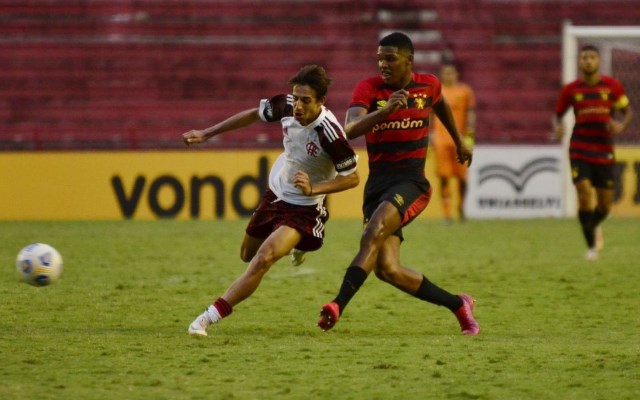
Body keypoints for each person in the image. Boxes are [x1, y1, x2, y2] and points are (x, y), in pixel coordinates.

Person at [317, 32, 479, 335]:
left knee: (373, 230)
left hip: (411, 183)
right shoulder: (369, 88)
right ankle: (459, 304)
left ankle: (337, 304)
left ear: (408, 60)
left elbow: (440, 103)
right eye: (379, 58)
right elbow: (350, 129)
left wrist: (459, 141)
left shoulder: (428, 84)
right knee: (388, 269)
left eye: (389, 58)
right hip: (377, 185)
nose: (383, 64)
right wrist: (386, 110)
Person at [184, 65, 359, 337]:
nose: (298, 105)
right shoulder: (286, 106)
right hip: (276, 192)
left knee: (263, 259)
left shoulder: (331, 133)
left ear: (322, 101)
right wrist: (208, 133)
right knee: (247, 255)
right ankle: (298, 246)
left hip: (303, 209)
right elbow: (253, 114)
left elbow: (352, 178)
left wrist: (314, 188)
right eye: (296, 97)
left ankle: (206, 318)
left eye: (305, 100)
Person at [552, 44, 633, 261]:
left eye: (592, 57)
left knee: (605, 206)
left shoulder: (612, 86)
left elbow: (627, 110)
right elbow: (558, 114)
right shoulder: (571, 90)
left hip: (604, 149)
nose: (588, 61)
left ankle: (594, 227)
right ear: (579, 62)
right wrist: (558, 127)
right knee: (584, 195)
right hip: (579, 147)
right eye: (584, 57)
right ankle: (591, 247)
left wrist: (621, 126)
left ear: (598, 61)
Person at [431, 62, 476, 223]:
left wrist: (470, 134)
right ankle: (447, 213)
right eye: (446, 73)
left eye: (451, 73)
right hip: (441, 141)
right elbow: (430, 114)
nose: (449, 76)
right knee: (444, 177)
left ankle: (461, 206)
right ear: (441, 75)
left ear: (457, 74)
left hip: (460, 141)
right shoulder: (436, 91)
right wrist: (430, 133)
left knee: (462, 179)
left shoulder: (465, 91)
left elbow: (470, 113)